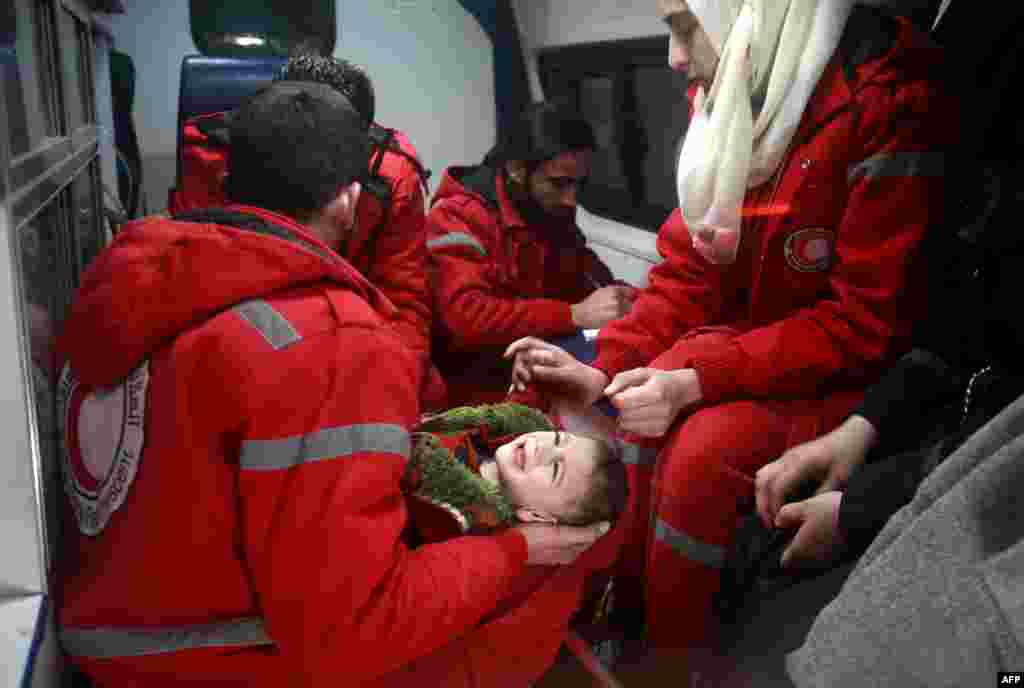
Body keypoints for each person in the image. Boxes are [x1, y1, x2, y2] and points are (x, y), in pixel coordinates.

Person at [55, 81, 609, 687]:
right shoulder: (333, 340)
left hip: (109, 630)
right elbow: (351, 635)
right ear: (349, 200)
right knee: (546, 578)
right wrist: (517, 552)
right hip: (208, 660)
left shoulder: (130, 276)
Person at [507, 0, 955, 658]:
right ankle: (616, 609)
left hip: (856, 370)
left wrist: (698, 377)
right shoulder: (732, 97)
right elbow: (687, 275)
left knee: (701, 453)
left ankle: (674, 659)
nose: (675, 57)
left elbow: (865, 323)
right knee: (618, 407)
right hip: (763, 345)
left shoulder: (889, 98)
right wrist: (603, 365)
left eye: (684, 26)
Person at [427, 100, 638, 407]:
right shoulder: (456, 216)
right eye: (560, 183)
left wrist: (627, 300)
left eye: (579, 184)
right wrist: (573, 314)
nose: (571, 200)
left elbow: (585, 275)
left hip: (537, 368)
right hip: (475, 389)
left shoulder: (549, 211)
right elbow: (465, 316)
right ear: (516, 170)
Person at [403, 403, 629, 537]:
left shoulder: (456, 518)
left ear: (535, 515)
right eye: (558, 439)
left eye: (555, 469)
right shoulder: (487, 439)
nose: (543, 448)